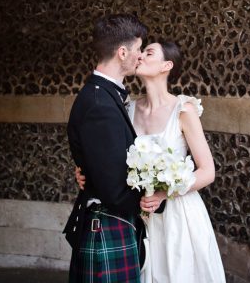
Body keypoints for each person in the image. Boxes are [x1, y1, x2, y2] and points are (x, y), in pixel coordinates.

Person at [76, 40, 226, 283]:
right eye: (141, 51)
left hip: (178, 216)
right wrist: (86, 172)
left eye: (149, 52)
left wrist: (164, 192)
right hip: (137, 215)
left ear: (166, 65)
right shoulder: (128, 109)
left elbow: (208, 171)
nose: (141, 56)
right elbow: (109, 157)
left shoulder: (184, 110)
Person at [63, 13, 149, 283]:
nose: (140, 57)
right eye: (138, 49)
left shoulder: (104, 95)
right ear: (122, 52)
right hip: (108, 224)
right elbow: (113, 188)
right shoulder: (100, 103)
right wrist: (153, 200)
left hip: (111, 223)